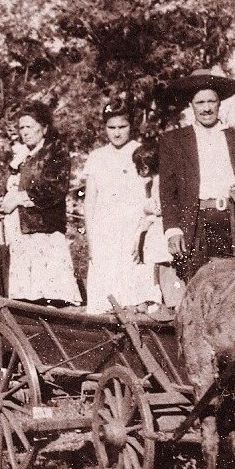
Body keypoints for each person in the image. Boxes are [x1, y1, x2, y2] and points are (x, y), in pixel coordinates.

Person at [158, 69, 235, 279]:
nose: (206, 108)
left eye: (211, 101)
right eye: (200, 103)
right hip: (196, 224)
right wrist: (173, 230)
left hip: (234, 220)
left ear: (219, 102)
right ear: (191, 105)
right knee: (197, 284)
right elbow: (168, 191)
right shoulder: (173, 141)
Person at [0, 102, 83, 305]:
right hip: (19, 233)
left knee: (48, 294)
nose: (24, 132)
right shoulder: (20, 157)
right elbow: (10, 188)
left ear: (44, 127)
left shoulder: (54, 153)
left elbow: (55, 189)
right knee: (26, 296)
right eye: (21, 127)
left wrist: (18, 199)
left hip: (43, 232)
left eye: (29, 126)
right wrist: (1, 202)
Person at [80, 101, 161, 313]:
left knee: (134, 289)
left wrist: (146, 226)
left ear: (131, 126)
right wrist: (91, 238)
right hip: (105, 232)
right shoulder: (97, 157)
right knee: (105, 293)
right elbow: (90, 201)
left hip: (133, 229)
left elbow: (153, 192)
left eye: (122, 127)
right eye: (111, 127)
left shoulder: (141, 152)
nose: (117, 133)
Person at [132, 140, 184, 307]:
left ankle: (173, 302)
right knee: (158, 267)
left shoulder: (160, 182)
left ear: (145, 167)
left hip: (162, 229)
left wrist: (145, 208)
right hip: (157, 230)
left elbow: (159, 207)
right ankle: (163, 301)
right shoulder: (154, 182)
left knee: (166, 266)